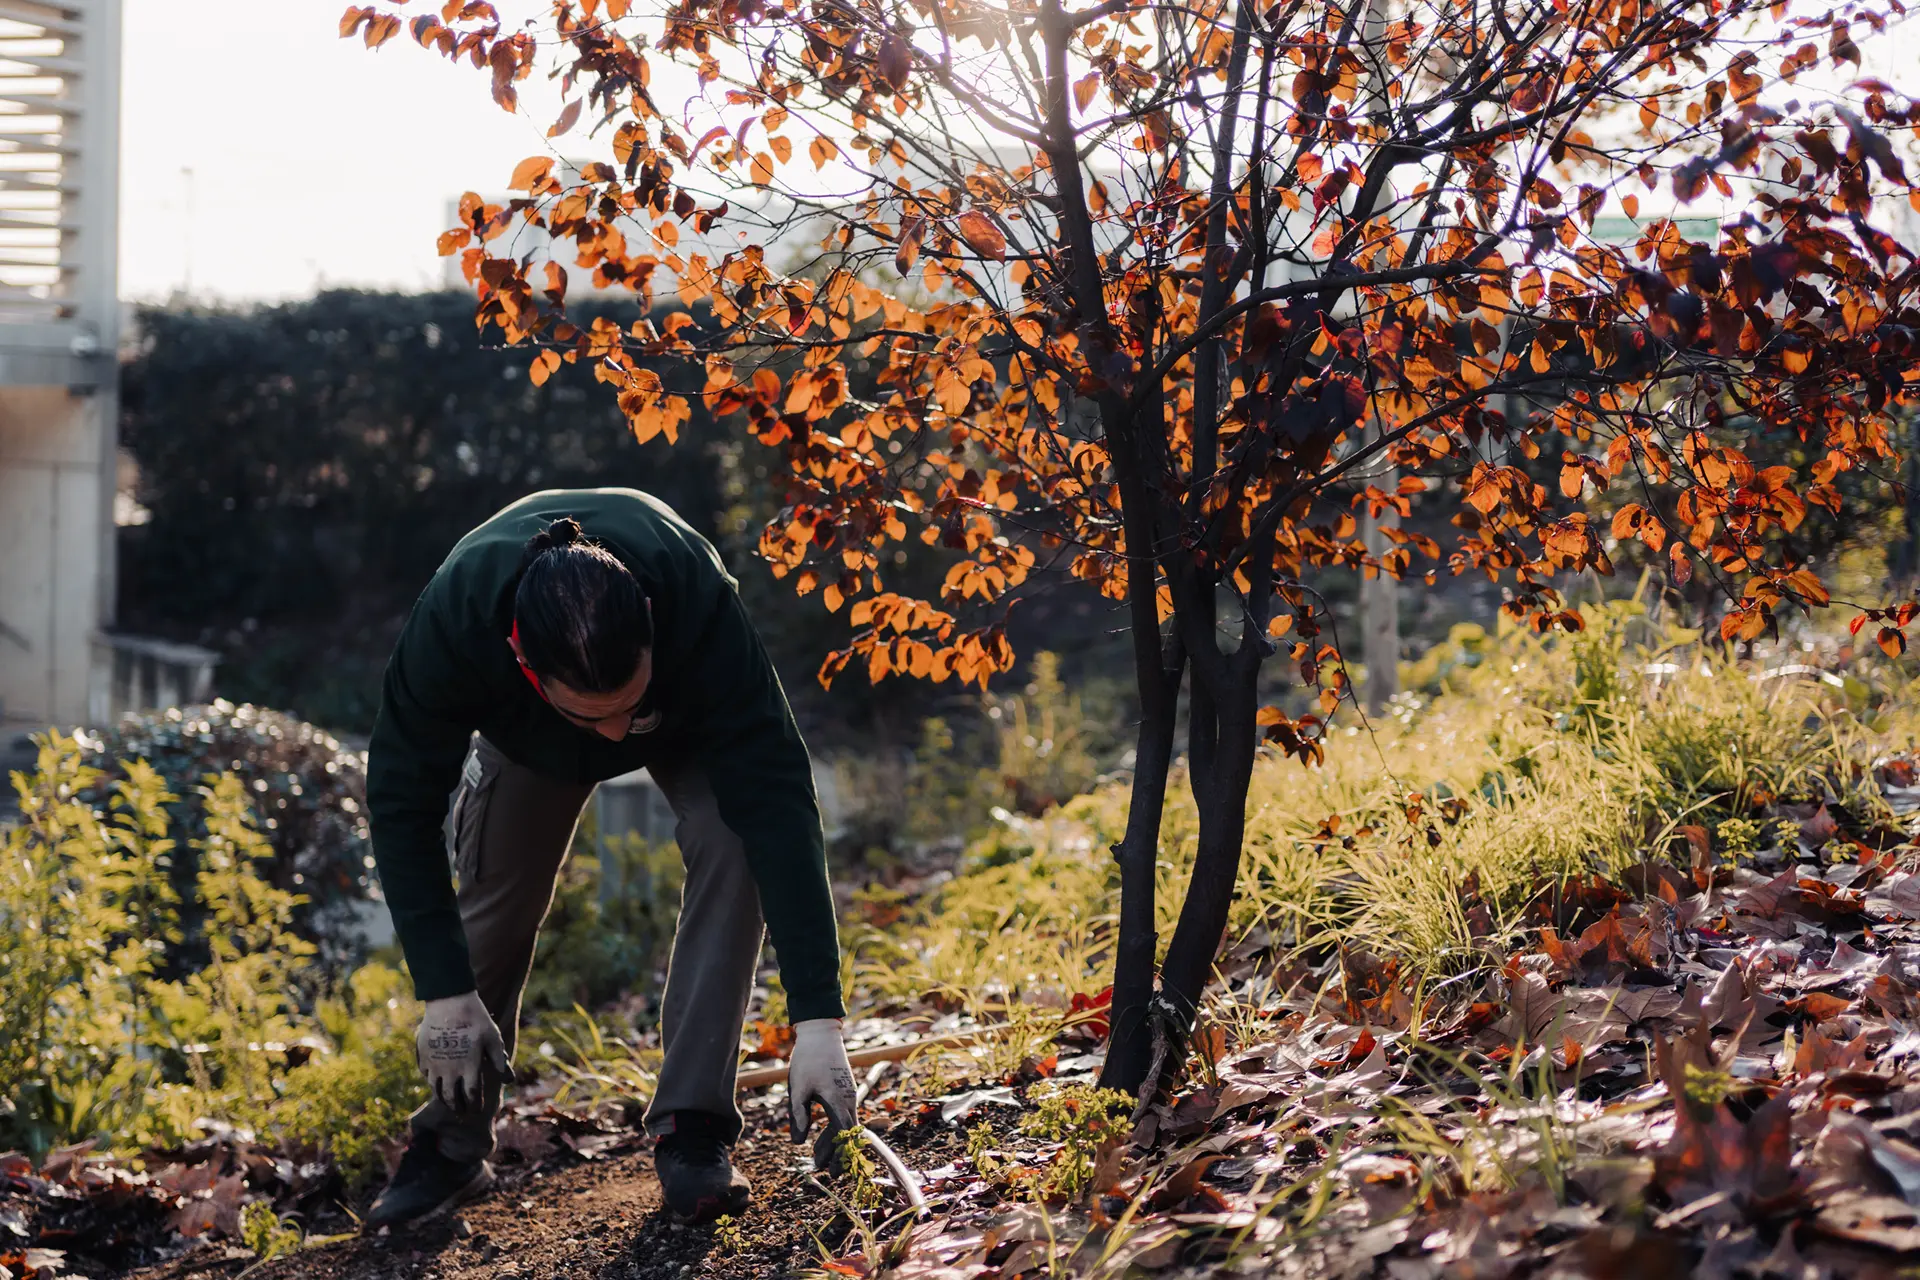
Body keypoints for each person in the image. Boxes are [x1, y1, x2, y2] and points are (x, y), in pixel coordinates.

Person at [362, 488, 857, 1228]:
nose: (618, 734)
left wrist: (818, 1017)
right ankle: (451, 1145)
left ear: (654, 628)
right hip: (525, 742)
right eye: (596, 715)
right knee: (490, 907)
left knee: (734, 840)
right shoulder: (454, 622)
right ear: (523, 661)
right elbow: (401, 807)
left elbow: (779, 802)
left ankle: (692, 1131)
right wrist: (441, 990)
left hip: (685, 725)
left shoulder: (696, 598)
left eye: (629, 702)